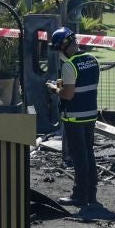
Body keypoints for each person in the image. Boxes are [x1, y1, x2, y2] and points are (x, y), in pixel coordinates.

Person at [47, 28, 102, 209]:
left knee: (79, 157)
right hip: (90, 115)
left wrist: (55, 89)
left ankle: (79, 195)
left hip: (74, 118)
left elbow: (69, 95)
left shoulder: (69, 65)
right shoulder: (92, 60)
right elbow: (82, 85)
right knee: (89, 154)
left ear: (64, 46)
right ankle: (91, 194)